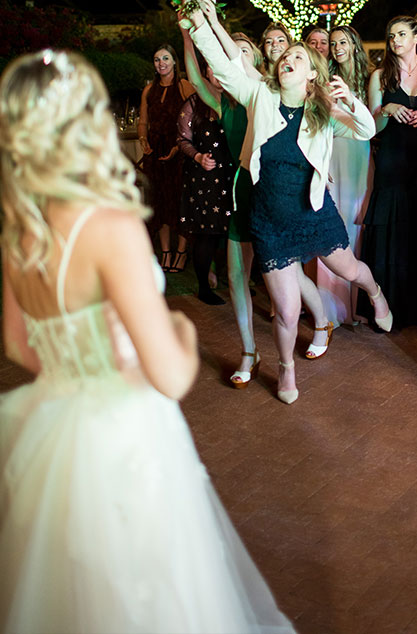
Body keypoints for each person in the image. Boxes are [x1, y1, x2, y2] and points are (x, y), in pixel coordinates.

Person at [0, 49, 296, 634]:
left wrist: (78, 356)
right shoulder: (108, 226)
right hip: (122, 435)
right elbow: (169, 373)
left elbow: (20, 346)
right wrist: (181, 331)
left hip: (52, 432)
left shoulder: (19, 228)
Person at [187, 1, 392, 405]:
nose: (287, 59)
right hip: (270, 221)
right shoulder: (260, 95)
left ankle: (375, 291)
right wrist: (200, 23)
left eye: (297, 56)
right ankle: (286, 368)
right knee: (285, 309)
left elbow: (366, 130)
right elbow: (226, 65)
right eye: (284, 56)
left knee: (349, 269)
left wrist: (349, 99)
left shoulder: (325, 113)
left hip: (314, 214)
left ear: (312, 73)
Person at [359, 15, 417, 328]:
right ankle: (391, 308)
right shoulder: (379, 76)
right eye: (391, 35)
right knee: (393, 231)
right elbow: (373, 127)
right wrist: (387, 109)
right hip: (393, 159)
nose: (395, 40)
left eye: (401, 33)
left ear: (416, 37)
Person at [306, 25, 373, 326]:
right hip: (333, 155)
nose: (336, 47)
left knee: (353, 228)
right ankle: (329, 310)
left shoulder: (369, 77)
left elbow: (372, 125)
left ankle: (351, 308)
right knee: (331, 228)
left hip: (359, 155)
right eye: (333, 43)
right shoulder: (325, 78)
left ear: (354, 44)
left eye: (342, 42)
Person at [177, 58, 234, 305]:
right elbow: (182, 139)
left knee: (233, 234)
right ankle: (203, 287)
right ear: (205, 73)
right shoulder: (193, 103)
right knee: (207, 234)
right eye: (212, 67)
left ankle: (236, 283)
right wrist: (198, 156)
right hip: (206, 177)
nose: (217, 72)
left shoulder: (238, 100)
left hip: (232, 175)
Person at [138, 44, 194, 271]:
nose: (161, 63)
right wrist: (143, 140)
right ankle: (166, 252)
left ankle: (181, 252)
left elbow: (196, 117)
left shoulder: (183, 86)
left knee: (178, 204)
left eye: (165, 58)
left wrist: (180, 146)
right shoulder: (149, 90)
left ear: (174, 62)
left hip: (178, 152)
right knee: (159, 204)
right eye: (157, 59)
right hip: (155, 152)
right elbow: (143, 122)